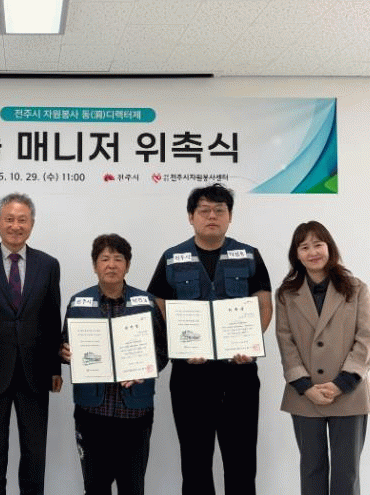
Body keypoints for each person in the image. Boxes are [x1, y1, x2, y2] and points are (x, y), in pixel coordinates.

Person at [147, 183, 272, 495]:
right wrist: (179, 342)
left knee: (241, 461)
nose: (212, 216)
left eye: (219, 210)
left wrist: (250, 343)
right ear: (191, 217)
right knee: (195, 462)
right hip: (191, 375)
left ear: (230, 216)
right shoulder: (172, 258)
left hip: (239, 373)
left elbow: (264, 305)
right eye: (204, 210)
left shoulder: (249, 255)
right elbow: (156, 305)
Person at [0, 192, 63, 495]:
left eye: (22, 220)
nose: (15, 226)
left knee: (34, 453)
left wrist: (55, 368)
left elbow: (51, 318)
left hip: (36, 372)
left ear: (32, 224)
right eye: (9, 219)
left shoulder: (48, 264)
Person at [60, 234, 168, 495]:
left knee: (133, 487)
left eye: (118, 259)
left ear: (127, 265)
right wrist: (63, 353)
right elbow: (64, 344)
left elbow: (163, 350)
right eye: (104, 259)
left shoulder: (146, 304)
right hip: (92, 413)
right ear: (95, 265)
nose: (111, 265)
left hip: (135, 413)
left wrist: (146, 368)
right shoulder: (78, 303)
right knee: (95, 488)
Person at [275, 221, 370, 495]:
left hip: (349, 392)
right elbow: (285, 342)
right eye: (304, 247)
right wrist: (305, 386)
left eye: (318, 244)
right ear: (296, 255)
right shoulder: (286, 294)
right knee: (311, 469)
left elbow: (366, 338)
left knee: (346, 472)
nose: (313, 252)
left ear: (330, 247)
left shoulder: (356, 289)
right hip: (305, 395)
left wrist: (343, 382)